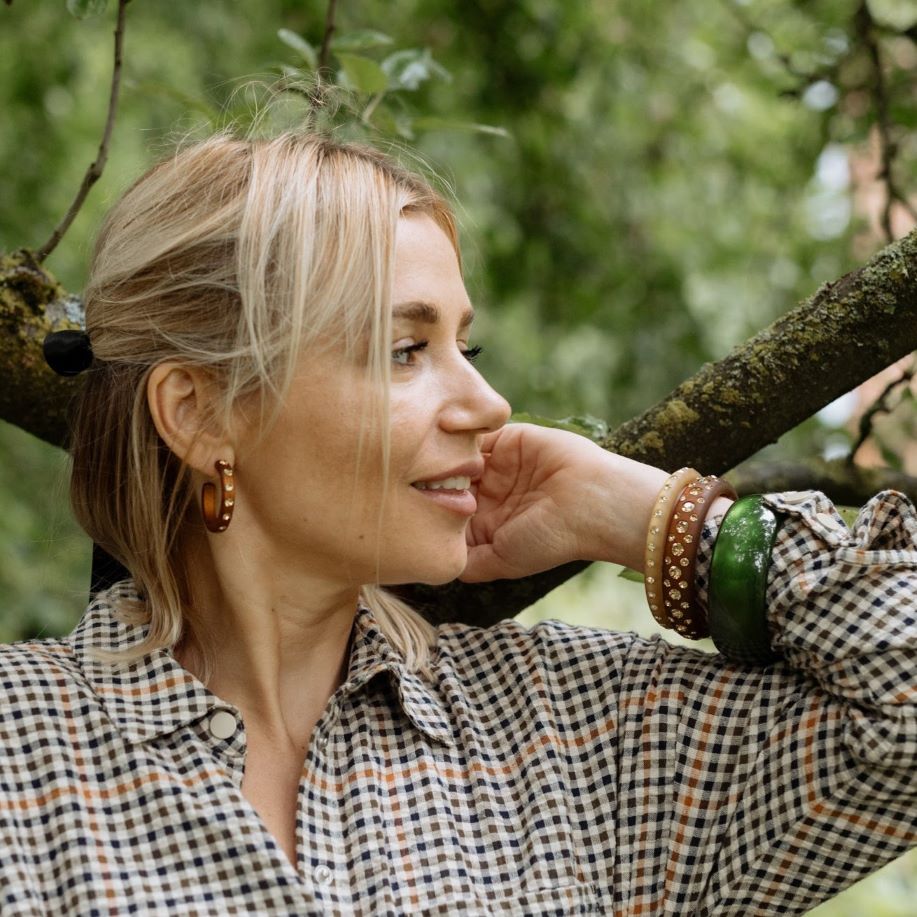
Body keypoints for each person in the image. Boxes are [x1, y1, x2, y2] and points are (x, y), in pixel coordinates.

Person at [2, 130, 914, 916]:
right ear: (198, 412)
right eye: (405, 350)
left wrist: (653, 517)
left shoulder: (575, 741)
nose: (488, 402)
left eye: (462, 347)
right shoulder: (21, 749)